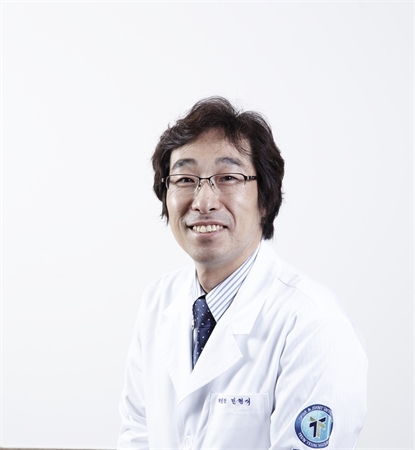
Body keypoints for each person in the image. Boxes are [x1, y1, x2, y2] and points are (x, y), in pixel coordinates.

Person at [117, 97, 367, 449]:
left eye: (228, 177)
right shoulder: (157, 301)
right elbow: (136, 434)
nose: (203, 202)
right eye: (185, 179)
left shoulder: (313, 324)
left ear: (265, 198)